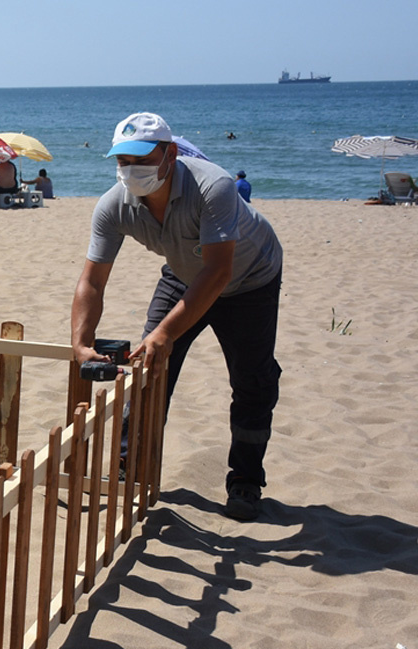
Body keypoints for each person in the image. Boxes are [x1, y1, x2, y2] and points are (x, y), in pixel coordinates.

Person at [71, 112, 283, 521]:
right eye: (123, 162)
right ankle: (129, 470)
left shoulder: (213, 186)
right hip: (185, 274)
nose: (132, 171)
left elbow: (219, 271)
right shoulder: (114, 205)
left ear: (170, 155)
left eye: (143, 160)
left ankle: (245, 481)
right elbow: (92, 281)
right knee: (147, 370)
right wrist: (82, 341)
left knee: (252, 381)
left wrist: (165, 332)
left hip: (249, 278)